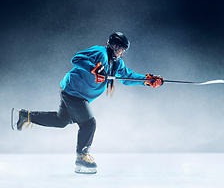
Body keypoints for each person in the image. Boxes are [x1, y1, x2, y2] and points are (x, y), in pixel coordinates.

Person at [13, 31, 164, 174]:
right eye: (121, 49)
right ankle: (81, 157)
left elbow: (127, 76)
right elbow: (76, 58)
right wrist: (94, 69)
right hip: (74, 92)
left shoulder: (116, 63)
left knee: (61, 121)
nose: (122, 53)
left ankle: (26, 116)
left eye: (124, 51)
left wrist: (147, 80)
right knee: (89, 123)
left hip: (74, 92)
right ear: (115, 46)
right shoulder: (100, 52)